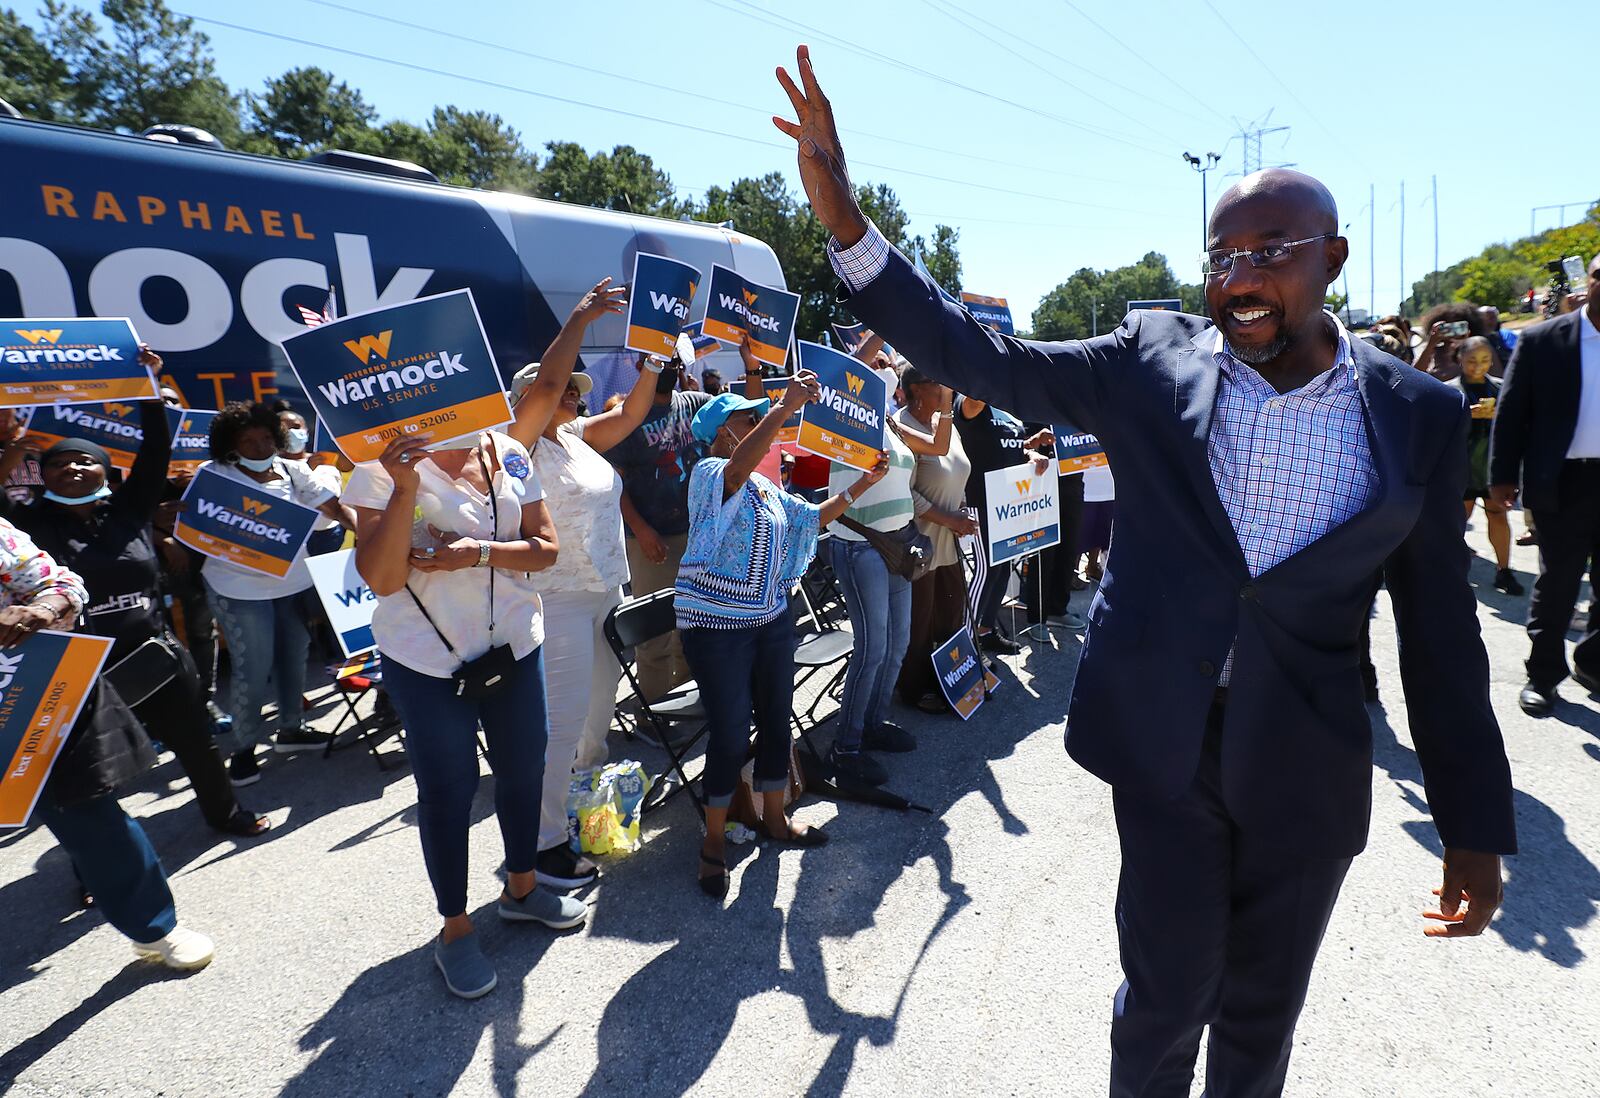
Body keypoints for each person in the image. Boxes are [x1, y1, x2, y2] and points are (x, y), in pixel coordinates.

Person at [774, 47, 1515, 1095]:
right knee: (1164, 999)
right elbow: (981, 358)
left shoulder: (1416, 414)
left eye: (1270, 251)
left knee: (1261, 1015)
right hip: (1166, 740)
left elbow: (1442, 638)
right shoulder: (1149, 360)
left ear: (1334, 259)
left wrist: (1472, 827)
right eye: (1221, 256)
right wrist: (846, 221)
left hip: (1306, 754)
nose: (1237, 278)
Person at [346, 428, 586, 999]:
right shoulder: (376, 467)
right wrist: (404, 487)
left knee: (525, 771)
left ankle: (522, 890)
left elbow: (546, 548)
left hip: (515, 646)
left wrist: (474, 554)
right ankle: (454, 928)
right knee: (448, 792)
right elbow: (381, 578)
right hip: (425, 660)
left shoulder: (506, 450)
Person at [0, 381, 269, 839]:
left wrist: (147, 394)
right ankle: (98, 869)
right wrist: (8, 451)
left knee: (197, 745)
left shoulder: (130, 511)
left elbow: (154, 453)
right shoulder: (28, 524)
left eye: (85, 460)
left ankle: (226, 814)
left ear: (105, 471)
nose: (73, 468)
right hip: (80, 670)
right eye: (59, 463)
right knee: (92, 772)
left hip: (156, 656)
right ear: (41, 477)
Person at [675, 378, 888, 898]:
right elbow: (737, 468)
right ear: (723, 432)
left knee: (776, 719)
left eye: (757, 417)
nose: (758, 424)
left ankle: (774, 817)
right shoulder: (708, 473)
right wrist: (785, 406)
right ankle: (713, 841)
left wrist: (862, 483)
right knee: (728, 733)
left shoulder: (765, 488)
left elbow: (810, 520)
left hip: (769, 617)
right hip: (717, 627)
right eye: (749, 419)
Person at [2, 513, 216, 969]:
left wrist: (42, 609)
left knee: (88, 814)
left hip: (18, 701)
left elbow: (61, 584)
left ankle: (153, 928)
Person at [507, 276, 658, 889]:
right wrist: (580, 318)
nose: (571, 395)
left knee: (596, 718)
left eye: (576, 390)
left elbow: (636, 410)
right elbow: (545, 382)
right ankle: (542, 848)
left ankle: (576, 813)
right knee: (559, 725)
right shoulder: (518, 447)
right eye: (563, 390)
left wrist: (653, 357)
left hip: (605, 592)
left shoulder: (575, 438)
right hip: (558, 599)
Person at [201, 402, 351, 786]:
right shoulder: (212, 475)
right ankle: (244, 748)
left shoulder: (294, 469)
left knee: (294, 658)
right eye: (247, 440)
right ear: (229, 444)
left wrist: (371, 536)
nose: (259, 446)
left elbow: (333, 509)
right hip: (240, 590)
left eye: (266, 437)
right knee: (253, 669)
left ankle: (290, 730)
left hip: (295, 583)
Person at [818, 354, 951, 784]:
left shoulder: (893, 426)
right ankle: (847, 745)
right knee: (873, 648)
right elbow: (839, 369)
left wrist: (946, 400)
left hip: (896, 545)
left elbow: (938, 446)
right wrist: (873, 315)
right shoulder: (844, 424)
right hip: (860, 548)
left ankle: (873, 724)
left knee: (897, 644)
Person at [1489, 251, 1600, 716]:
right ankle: (1543, 675)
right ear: (1588, 282)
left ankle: (1593, 663)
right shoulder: (1543, 341)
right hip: (1564, 481)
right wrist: (1500, 477)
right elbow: (1512, 413)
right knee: (1558, 584)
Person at [604, 336, 715, 702]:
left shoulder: (697, 405)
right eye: (659, 362)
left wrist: (753, 367)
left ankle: (688, 703)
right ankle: (654, 714)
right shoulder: (627, 418)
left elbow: (743, 419)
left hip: (695, 535)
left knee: (693, 628)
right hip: (649, 540)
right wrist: (641, 529)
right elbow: (613, 482)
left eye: (674, 363)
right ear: (640, 367)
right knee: (654, 635)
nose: (669, 369)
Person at [895, 364, 978, 713]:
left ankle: (948, 679)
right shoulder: (901, 427)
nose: (947, 386)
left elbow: (955, 473)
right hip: (921, 541)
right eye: (937, 381)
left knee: (949, 613)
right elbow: (905, 492)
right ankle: (913, 690)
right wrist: (948, 517)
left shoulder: (946, 425)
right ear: (915, 389)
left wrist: (960, 510)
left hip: (951, 537)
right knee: (920, 620)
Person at [955, 393, 1052, 654]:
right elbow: (974, 399)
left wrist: (1030, 454)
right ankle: (964, 644)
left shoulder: (1008, 410)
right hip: (980, 502)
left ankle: (985, 631)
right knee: (986, 571)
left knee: (1003, 567)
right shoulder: (972, 404)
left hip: (1008, 504)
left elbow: (1011, 448)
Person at [1452, 337, 1522, 594]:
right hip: (1461, 468)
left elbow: (1518, 424)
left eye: (1484, 360)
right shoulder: (1449, 390)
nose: (1478, 366)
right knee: (1457, 521)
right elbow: (1435, 429)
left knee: (1499, 516)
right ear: (1460, 359)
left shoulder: (1501, 388)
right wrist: (1465, 414)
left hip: (1493, 466)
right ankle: (1449, 571)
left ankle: (1504, 570)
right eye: (1471, 360)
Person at [274, 401, 350, 557]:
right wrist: (306, 471)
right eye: (284, 429)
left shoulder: (325, 461)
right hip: (289, 538)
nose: (291, 432)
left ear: (306, 431)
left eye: (296, 427)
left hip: (329, 537)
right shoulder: (270, 466)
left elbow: (332, 501)